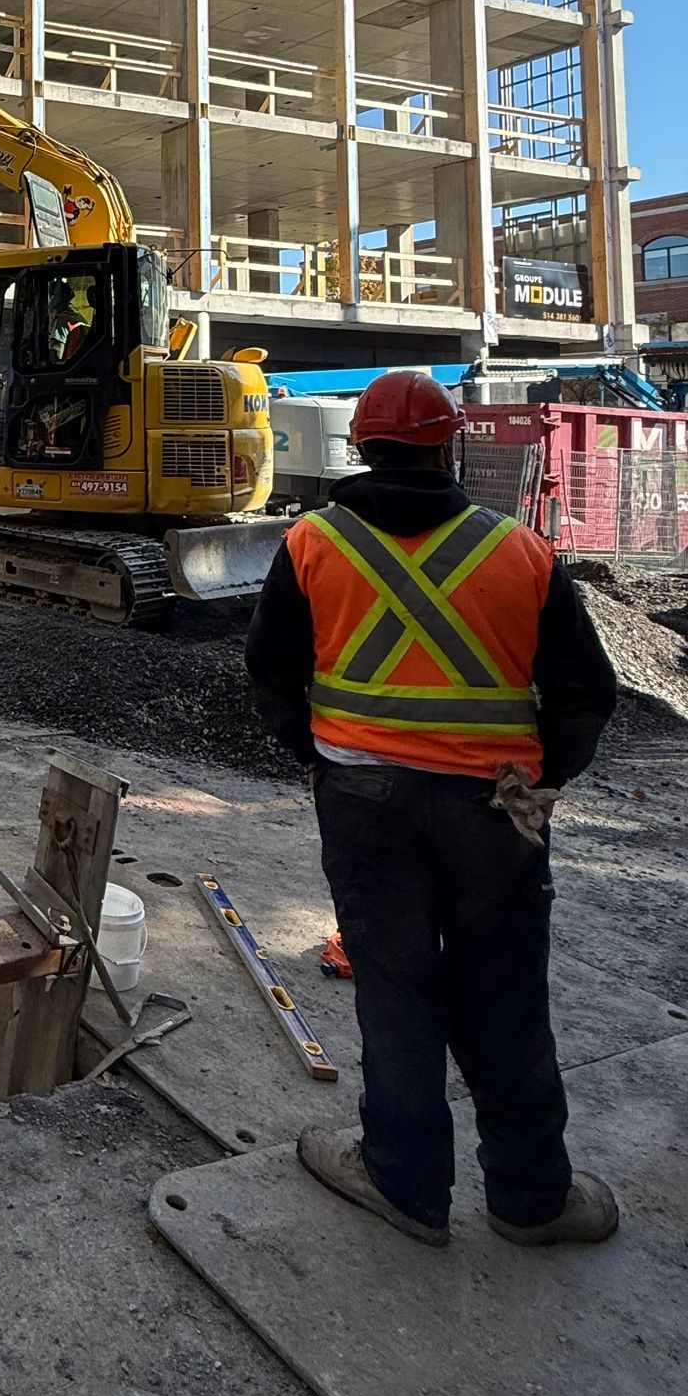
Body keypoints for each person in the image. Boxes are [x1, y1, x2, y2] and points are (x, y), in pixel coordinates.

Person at [245, 368, 620, 1250]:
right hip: (497, 808)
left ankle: (406, 1183)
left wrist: (326, 754)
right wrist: (540, 779)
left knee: (397, 987)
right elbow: (582, 693)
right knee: (507, 993)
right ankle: (531, 1197)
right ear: (447, 443)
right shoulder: (518, 550)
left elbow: (270, 675)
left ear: (361, 448)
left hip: (364, 800)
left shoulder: (312, 544)